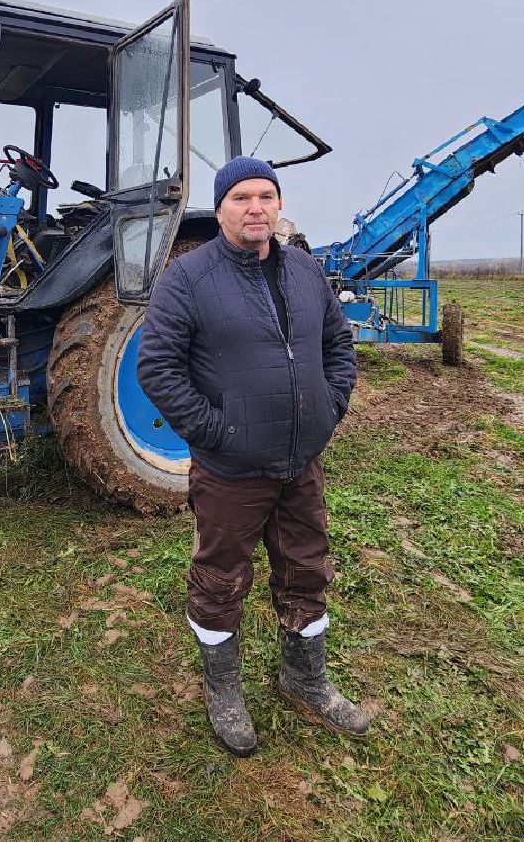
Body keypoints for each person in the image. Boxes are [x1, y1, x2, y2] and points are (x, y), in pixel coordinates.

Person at [137, 155, 368, 756]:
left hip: (300, 462)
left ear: (279, 204)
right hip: (231, 471)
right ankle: (224, 690)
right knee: (220, 579)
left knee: (306, 568)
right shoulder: (188, 278)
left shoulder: (306, 271)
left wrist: (329, 406)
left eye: (266, 195)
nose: (256, 208)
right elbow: (157, 368)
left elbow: (338, 344)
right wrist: (217, 431)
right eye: (241, 197)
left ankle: (304, 678)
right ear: (221, 209)